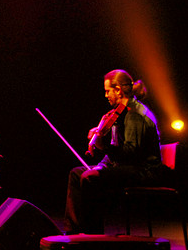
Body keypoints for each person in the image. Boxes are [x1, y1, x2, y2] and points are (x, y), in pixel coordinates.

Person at [64, 69, 164, 234]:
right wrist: (102, 165)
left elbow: (132, 153)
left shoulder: (135, 114)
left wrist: (104, 148)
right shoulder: (121, 113)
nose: (106, 95)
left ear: (118, 90)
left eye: (107, 91)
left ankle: (92, 233)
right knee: (77, 173)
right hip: (129, 166)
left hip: (145, 171)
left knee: (90, 178)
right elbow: (117, 153)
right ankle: (73, 231)